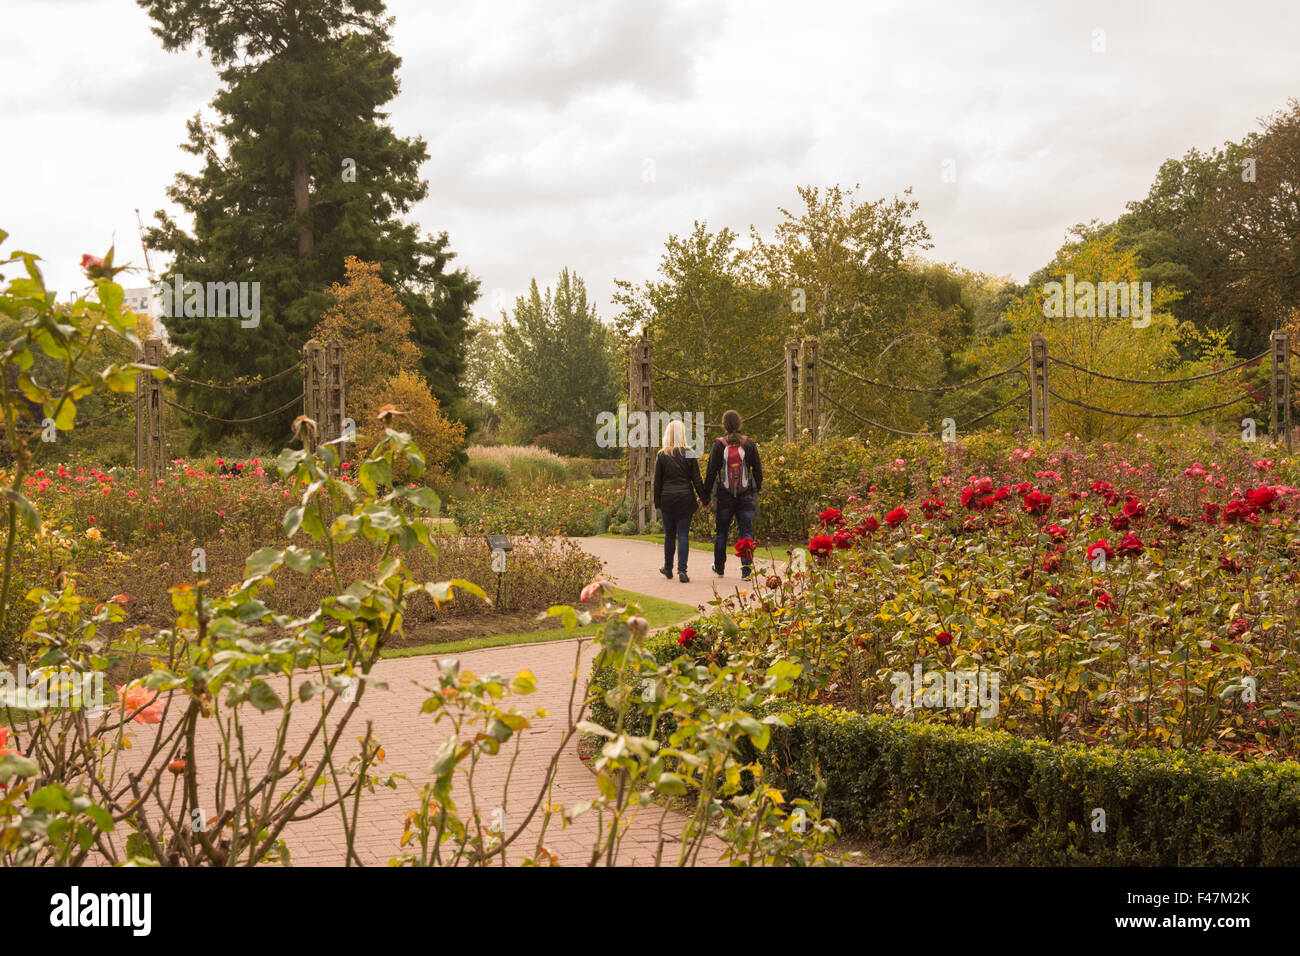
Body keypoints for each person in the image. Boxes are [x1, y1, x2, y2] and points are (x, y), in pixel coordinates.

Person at [704, 409, 763, 579]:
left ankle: (720, 567)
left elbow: (710, 473)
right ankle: (746, 570)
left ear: (724, 424)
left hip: (724, 496)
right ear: (739, 423)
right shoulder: (749, 444)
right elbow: (758, 471)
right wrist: (755, 489)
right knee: (746, 532)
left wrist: (706, 496)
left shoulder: (718, 445)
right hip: (745, 496)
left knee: (721, 532)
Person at [653, 418, 706, 583]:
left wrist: (657, 503)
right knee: (683, 535)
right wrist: (705, 498)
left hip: (667, 499)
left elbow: (657, 482)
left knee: (669, 535)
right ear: (683, 434)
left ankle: (668, 568)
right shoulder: (689, 453)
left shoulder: (662, 454)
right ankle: (682, 571)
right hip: (685, 499)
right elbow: (697, 480)